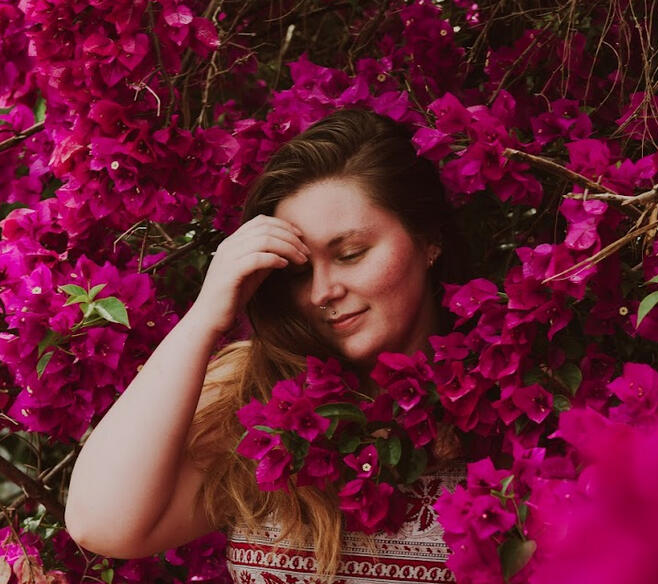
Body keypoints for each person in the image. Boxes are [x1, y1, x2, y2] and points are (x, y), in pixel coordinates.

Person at [65, 109, 470, 583]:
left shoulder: (505, 400)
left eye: (350, 255)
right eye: (298, 271)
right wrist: (205, 317)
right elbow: (102, 524)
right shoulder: (254, 391)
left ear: (429, 240)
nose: (322, 292)